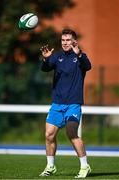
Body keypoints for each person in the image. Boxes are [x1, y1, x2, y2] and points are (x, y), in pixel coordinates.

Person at [39, 28, 91, 178]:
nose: (65, 43)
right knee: (49, 135)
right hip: (57, 104)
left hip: (73, 103)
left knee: (72, 133)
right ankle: (50, 166)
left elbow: (88, 66)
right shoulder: (57, 56)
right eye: (63, 40)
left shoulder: (80, 57)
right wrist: (46, 59)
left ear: (74, 41)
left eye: (68, 40)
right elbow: (45, 69)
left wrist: (79, 54)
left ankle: (85, 166)